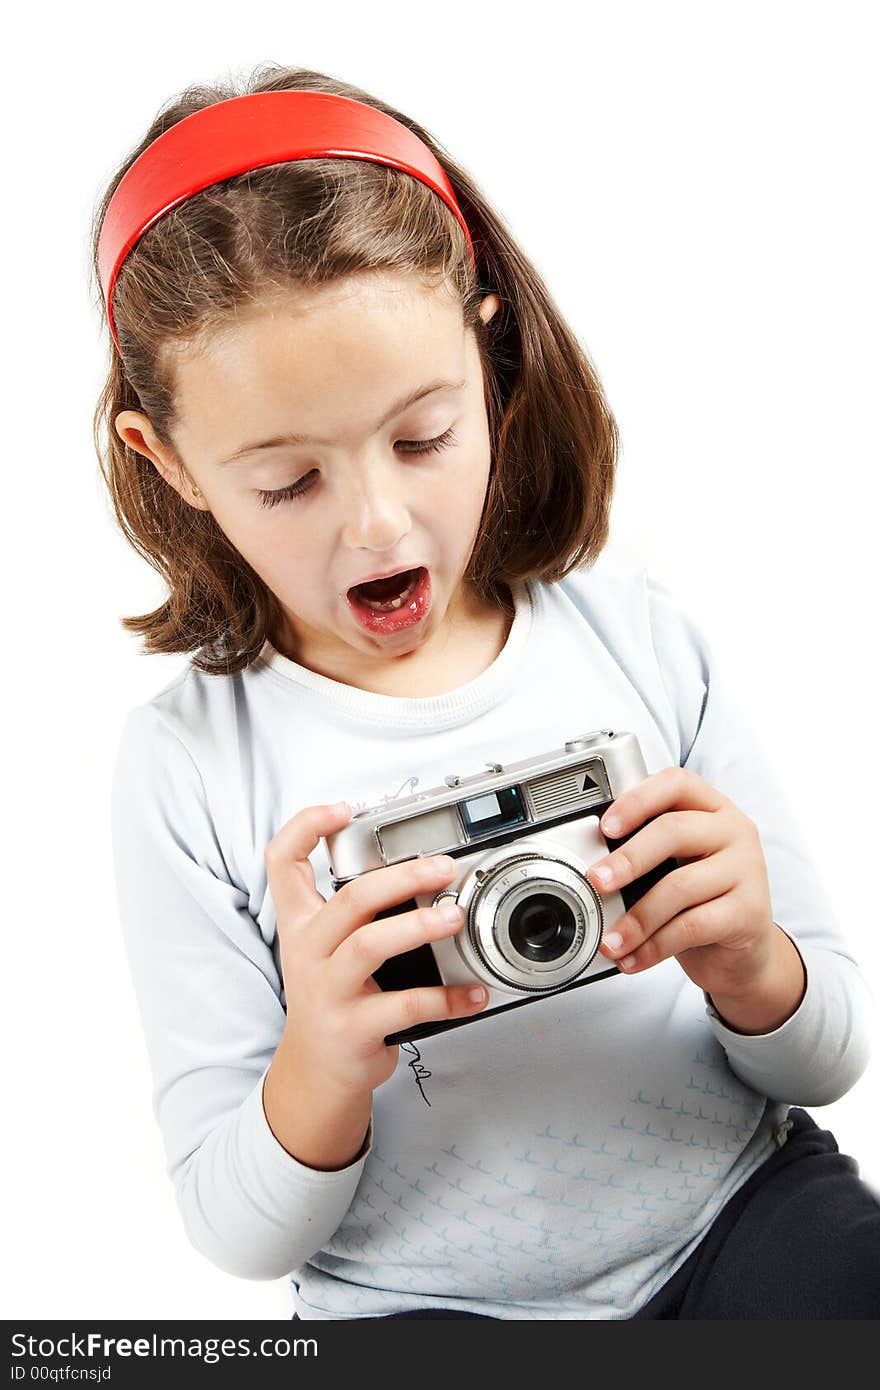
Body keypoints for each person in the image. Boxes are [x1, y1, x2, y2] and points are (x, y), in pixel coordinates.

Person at [95, 64, 879, 1320]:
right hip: (414, 1303)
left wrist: (752, 962)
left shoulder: (642, 643)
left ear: (490, 354)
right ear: (169, 459)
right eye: (286, 482)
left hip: (735, 1216)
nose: (376, 521)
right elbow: (234, 1230)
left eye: (421, 437)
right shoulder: (190, 765)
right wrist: (323, 1060)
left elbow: (829, 1054)